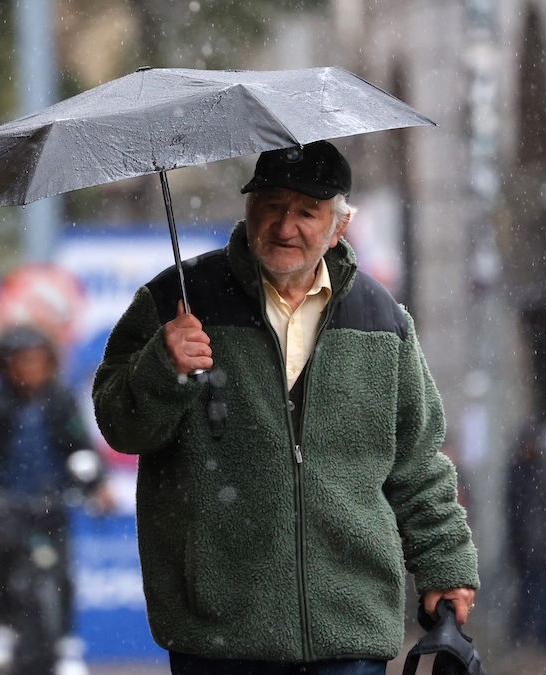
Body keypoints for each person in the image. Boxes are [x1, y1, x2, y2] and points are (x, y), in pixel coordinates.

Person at [92, 141, 479, 674]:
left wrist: (445, 566)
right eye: (271, 205)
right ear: (249, 208)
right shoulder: (175, 301)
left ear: (339, 227)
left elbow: (417, 464)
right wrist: (164, 366)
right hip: (221, 634)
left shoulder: (382, 320)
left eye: (306, 212)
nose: (285, 226)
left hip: (350, 630)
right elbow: (119, 425)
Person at [0, 324, 109, 675]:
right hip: (7, 500)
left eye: (38, 361)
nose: (31, 369)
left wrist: (97, 486)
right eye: (23, 361)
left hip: (52, 500)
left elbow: (81, 447)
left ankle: (66, 643)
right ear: (5, 366)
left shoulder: (60, 401)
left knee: (61, 573)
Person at [504, 422, 546, 649]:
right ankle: (539, 635)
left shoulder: (538, 472)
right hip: (530, 542)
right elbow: (518, 512)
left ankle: (540, 635)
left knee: (538, 589)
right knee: (534, 589)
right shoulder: (523, 472)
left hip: (539, 542)